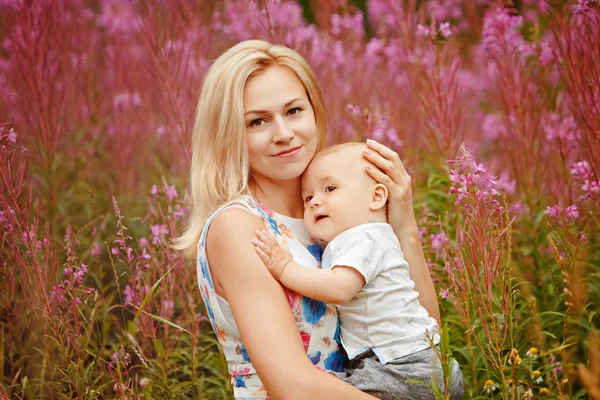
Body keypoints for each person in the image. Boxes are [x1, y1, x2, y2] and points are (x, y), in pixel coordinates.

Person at [173, 40, 440, 400]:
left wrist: (403, 227)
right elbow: (293, 385)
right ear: (229, 134)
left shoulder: (334, 210)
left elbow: (420, 336)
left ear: (315, 112)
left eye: (294, 110)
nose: (283, 134)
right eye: (258, 121)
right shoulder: (238, 227)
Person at [251, 142, 464, 400]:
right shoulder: (367, 239)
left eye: (330, 189)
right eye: (308, 197)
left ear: (376, 197)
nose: (316, 201)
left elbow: (339, 288)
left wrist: (285, 268)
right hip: (420, 361)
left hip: (402, 367)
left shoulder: (365, 238)